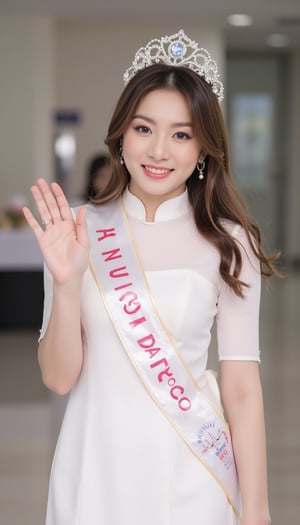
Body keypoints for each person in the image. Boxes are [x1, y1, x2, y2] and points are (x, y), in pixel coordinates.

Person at [22, 29, 276, 525]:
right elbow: (57, 378)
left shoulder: (230, 242)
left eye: (181, 134)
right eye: (144, 128)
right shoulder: (76, 230)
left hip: (191, 471)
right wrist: (69, 281)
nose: (159, 150)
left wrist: (258, 511)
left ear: (203, 149)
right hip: (92, 466)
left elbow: (242, 388)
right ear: (120, 136)